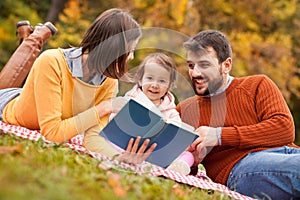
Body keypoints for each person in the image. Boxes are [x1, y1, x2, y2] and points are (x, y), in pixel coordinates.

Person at [0, 8, 156, 164]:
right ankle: (34, 36)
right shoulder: (52, 61)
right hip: (7, 104)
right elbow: (52, 133)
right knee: (11, 76)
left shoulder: (109, 82)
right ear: (113, 50)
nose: (132, 57)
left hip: (32, 98)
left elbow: (92, 139)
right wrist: (104, 107)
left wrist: (118, 157)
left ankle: (29, 35)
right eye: (130, 51)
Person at [176, 29, 300, 199]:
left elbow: (284, 129)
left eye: (204, 65)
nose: (195, 73)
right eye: (191, 65)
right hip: (240, 169)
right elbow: (179, 164)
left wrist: (219, 135)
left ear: (226, 65)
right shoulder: (184, 111)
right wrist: (194, 161)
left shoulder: (257, 85)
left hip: (288, 155)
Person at [105, 52, 194, 175]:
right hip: (127, 147)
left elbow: (176, 132)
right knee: (109, 143)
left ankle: (176, 169)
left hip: (154, 154)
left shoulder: (170, 110)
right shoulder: (130, 100)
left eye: (162, 81)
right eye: (150, 78)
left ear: (170, 85)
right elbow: (113, 124)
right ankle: (126, 158)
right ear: (140, 80)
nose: (155, 85)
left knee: (188, 156)